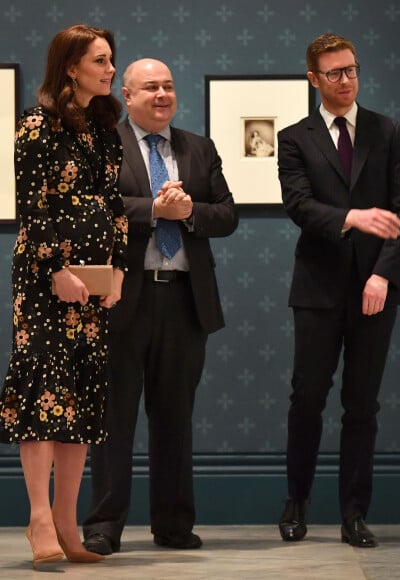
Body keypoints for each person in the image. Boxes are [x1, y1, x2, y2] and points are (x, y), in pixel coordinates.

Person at [82, 58, 238, 555]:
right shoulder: (104, 143)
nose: (162, 94)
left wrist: (189, 211)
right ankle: (105, 526)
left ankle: (172, 525)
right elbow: (94, 207)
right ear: (127, 96)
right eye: (150, 87)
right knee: (115, 417)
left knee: (175, 417)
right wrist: (155, 209)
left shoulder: (198, 147)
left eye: (168, 85)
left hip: (185, 298)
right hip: (123, 296)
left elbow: (227, 214)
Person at [277, 33, 400, 548]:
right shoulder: (295, 137)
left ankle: (355, 514)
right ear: (313, 78)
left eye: (352, 70)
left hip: (377, 286)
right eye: (334, 73)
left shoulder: (388, 130)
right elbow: (299, 206)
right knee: (306, 399)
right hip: (317, 288)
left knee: (362, 405)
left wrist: (383, 274)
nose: (346, 80)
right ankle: (295, 504)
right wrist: (352, 217)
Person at [0, 24, 127, 568]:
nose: (110, 69)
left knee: (80, 397)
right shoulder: (36, 125)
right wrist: (56, 268)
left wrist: (117, 270)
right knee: (44, 394)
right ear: (70, 67)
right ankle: (39, 518)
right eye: (100, 61)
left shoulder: (105, 128)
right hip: (46, 280)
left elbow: (116, 205)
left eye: (111, 60)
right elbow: (34, 207)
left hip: (96, 283)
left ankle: (70, 520)